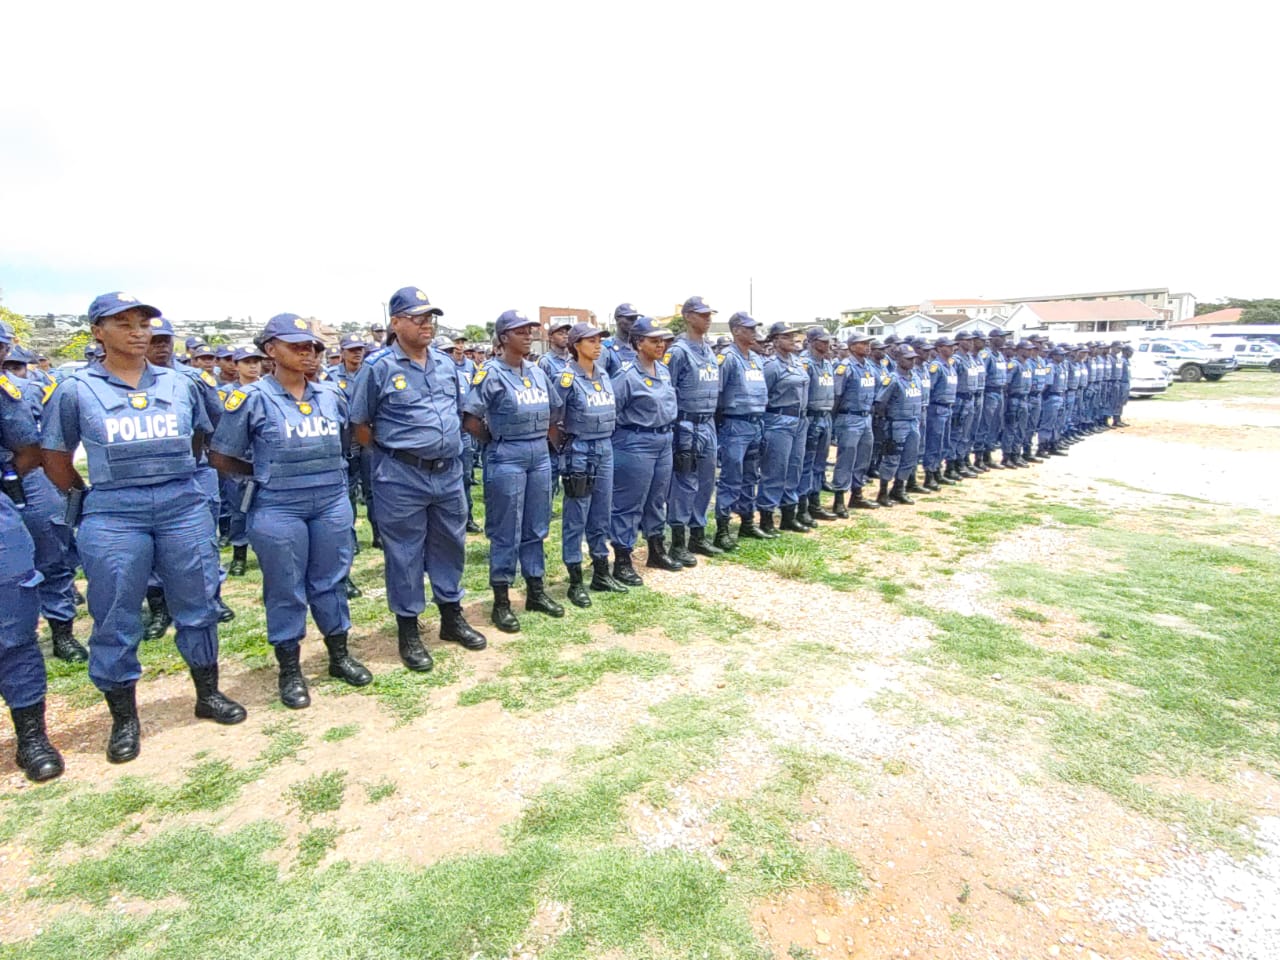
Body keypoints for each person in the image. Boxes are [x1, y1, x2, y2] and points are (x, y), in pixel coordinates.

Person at [42, 292, 246, 764]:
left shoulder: (183, 384)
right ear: (98, 331)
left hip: (181, 505)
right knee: (115, 613)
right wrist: (87, 498)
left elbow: (204, 436)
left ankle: (207, 693)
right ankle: (124, 718)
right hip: (114, 512)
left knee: (197, 601)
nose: (138, 331)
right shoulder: (75, 388)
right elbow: (55, 456)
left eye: (144, 323)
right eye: (124, 323)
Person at [209, 314, 371, 709]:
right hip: (278, 506)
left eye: (313, 347)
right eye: (297, 346)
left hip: (330, 501)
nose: (309, 353)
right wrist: (263, 474)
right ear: (270, 351)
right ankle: (290, 668)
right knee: (284, 587)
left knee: (331, 580)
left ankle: (338, 654)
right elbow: (222, 455)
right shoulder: (251, 399)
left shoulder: (331, 396)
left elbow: (347, 441)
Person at [351, 287, 486, 668]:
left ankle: (451, 617)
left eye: (431, 318)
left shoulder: (445, 364)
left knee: (449, 546)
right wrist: (397, 455)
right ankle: (409, 630)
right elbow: (361, 426)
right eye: (418, 317)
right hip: (401, 476)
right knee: (405, 554)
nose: (427, 324)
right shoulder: (379, 367)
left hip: (447, 473)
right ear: (395, 323)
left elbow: (459, 413)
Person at [462, 310, 561, 632]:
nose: (528, 335)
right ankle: (501, 601)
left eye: (529, 330)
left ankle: (535, 590)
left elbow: (554, 408)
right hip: (507, 454)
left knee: (536, 524)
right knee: (506, 528)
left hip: (538, 453)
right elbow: (471, 419)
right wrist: (495, 441)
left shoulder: (536, 371)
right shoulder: (489, 373)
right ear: (504, 337)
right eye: (520, 331)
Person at [1, 343, 86, 663]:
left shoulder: (19, 389)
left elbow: (33, 448)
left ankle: (62, 633)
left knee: (52, 553)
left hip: (25, 476)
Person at [550, 323, 635, 606]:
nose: (598, 345)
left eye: (600, 340)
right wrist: (566, 447)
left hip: (605, 447)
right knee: (577, 515)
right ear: (576, 345)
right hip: (580, 449)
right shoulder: (566, 378)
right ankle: (575, 580)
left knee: (601, 512)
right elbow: (553, 419)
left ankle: (601, 570)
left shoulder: (604, 376)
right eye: (591, 340)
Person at [610, 316, 680, 581]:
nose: (661, 345)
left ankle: (656, 549)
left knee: (657, 498)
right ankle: (623, 559)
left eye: (662, 340)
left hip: (663, 440)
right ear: (639, 343)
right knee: (629, 503)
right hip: (635, 442)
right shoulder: (627, 375)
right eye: (654, 340)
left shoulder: (662, 370)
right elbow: (612, 410)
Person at [664, 296, 723, 559]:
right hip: (686, 423)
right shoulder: (677, 351)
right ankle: (678, 540)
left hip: (708, 422)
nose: (708, 318)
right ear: (688, 316)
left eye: (709, 314)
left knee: (706, 481)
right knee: (684, 481)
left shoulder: (709, 349)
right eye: (702, 314)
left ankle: (697, 534)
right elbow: (668, 391)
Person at [714, 311, 770, 546]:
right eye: (749, 328)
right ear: (736, 331)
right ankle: (722, 529)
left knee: (750, 476)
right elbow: (717, 395)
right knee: (731, 477)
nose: (754, 332)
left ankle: (747, 522)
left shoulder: (756, 359)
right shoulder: (727, 358)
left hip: (756, 423)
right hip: (734, 424)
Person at [759, 322, 811, 534]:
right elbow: (763, 395)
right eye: (787, 336)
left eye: (793, 336)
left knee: (794, 468)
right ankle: (766, 516)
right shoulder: (771, 365)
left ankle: (789, 514)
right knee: (775, 469)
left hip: (799, 420)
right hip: (779, 419)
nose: (792, 340)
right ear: (776, 340)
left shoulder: (797, 362)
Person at [222, 345, 266, 577]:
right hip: (239, 461)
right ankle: (239, 554)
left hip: (265, 459)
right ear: (236, 364)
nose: (252, 365)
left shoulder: (269, 389)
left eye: (256, 361)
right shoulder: (227, 393)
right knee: (239, 509)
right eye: (247, 361)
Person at [830, 333, 880, 515]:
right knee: (846, 458)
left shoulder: (869, 367)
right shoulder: (846, 367)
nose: (867, 346)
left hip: (865, 418)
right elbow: (837, 395)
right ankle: (839, 498)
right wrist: (834, 421)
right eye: (863, 343)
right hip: (849, 418)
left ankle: (857, 494)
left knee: (863, 457)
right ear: (851, 347)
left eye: (868, 343)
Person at [873, 344, 924, 506]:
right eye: (908, 359)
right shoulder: (892, 379)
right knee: (892, 458)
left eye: (913, 358)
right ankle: (883, 492)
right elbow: (880, 403)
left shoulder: (915, 377)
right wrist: (888, 421)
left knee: (910, 457)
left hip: (913, 422)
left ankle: (899, 489)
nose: (912, 362)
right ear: (898, 359)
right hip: (897, 424)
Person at [798, 328, 837, 525]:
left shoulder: (827, 363)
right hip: (811, 417)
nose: (828, 344)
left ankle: (815, 502)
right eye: (823, 341)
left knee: (820, 464)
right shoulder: (805, 363)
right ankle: (803, 507)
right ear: (812, 341)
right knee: (807, 463)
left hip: (825, 416)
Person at [923, 337, 958, 490]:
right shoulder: (936, 367)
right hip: (936, 408)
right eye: (948, 346)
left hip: (948, 407)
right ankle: (929, 474)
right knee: (934, 442)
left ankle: (937, 470)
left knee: (944, 442)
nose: (952, 349)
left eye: (952, 347)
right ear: (939, 348)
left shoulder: (950, 365)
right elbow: (929, 389)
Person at [602, 304, 640, 378]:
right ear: (617, 319)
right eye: (630, 318)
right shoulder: (606, 349)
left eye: (635, 319)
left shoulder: (640, 346)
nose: (634, 322)